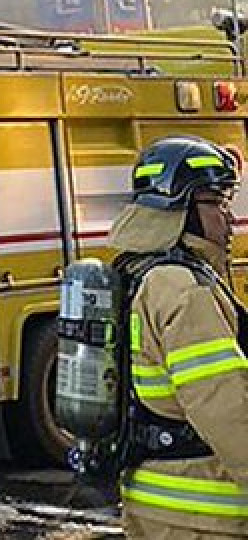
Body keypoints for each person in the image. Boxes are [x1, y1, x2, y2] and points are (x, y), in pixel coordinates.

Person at [108, 136, 248, 538]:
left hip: (154, 504)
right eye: (218, 202)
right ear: (181, 210)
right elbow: (225, 409)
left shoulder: (138, 272)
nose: (229, 219)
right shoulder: (184, 290)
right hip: (204, 514)